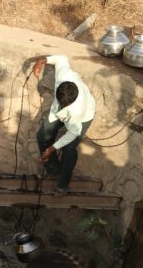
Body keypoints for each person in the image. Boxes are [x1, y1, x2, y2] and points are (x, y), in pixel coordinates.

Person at [33, 55, 97, 196]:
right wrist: (41, 61)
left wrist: (52, 148)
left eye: (65, 105)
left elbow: (73, 133)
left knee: (69, 149)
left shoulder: (77, 110)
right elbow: (61, 59)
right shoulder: (64, 76)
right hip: (57, 114)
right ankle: (53, 169)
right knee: (42, 135)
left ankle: (62, 185)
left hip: (82, 118)